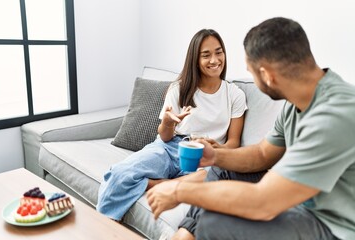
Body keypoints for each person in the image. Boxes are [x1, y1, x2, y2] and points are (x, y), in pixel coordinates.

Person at [147, 17, 355, 240]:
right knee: (223, 170)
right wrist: (215, 156)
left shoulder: (335, 115)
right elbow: (262, 154)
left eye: (251, 72)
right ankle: (184, 236)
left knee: (215, 224)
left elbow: (263, 202)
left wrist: (179, 191)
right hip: (305, 203)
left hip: (334, 227)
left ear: (267, 75)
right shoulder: (297, 103)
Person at [96, 29, 248, 221]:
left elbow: (233, 142)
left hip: (206, 156)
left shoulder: (234, 94)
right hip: (170, 147)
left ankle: (160, 184)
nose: (214, 60)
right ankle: (104, 228)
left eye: (219, 52)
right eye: (206, 55)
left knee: (215, 178)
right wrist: (167, 122)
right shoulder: (179, 89)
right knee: (119, 173)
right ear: (195, 59)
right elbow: (166, 136)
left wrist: (216, 151)